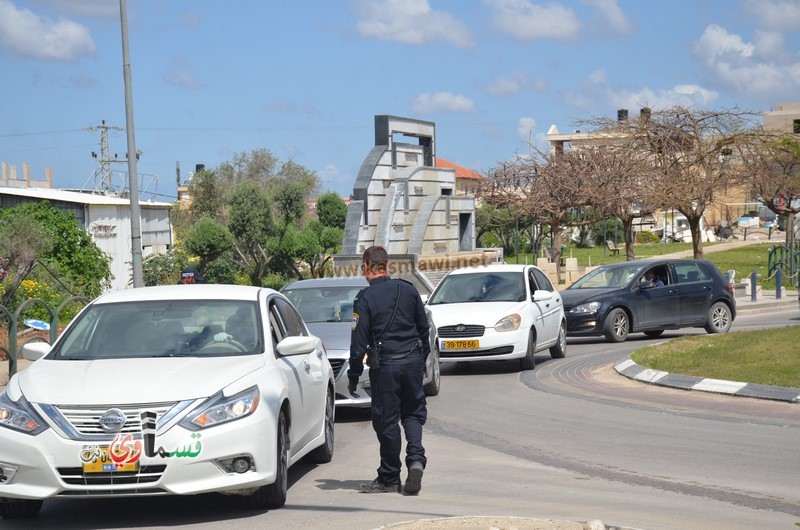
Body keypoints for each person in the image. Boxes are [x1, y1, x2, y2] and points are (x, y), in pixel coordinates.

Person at [347, 246, 430, 495]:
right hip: (413, 361)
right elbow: (423, 328)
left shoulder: (364, 299)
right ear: (386, 266)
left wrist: (353, 375)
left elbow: (358, 342)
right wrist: (421, 359)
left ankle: (389, 477)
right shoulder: (408, 289)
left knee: (386, 421)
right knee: (413, 414)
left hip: (386, 367)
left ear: (365, 266)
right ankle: (415, 461)